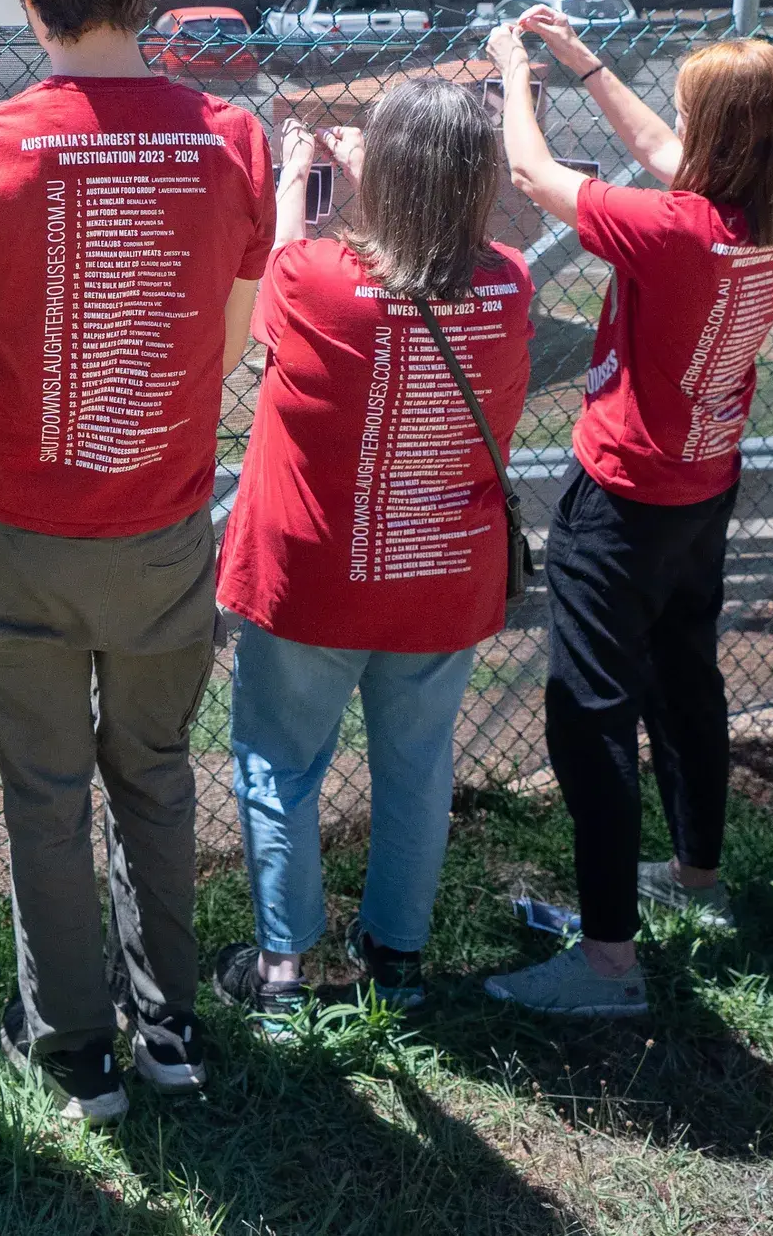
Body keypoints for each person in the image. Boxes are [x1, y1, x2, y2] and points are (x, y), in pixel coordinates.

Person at [0, 0, 272, 1120]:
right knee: (156, 773)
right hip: (162, 525)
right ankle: (168, 1023)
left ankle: (72, 1046)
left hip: (23, 528)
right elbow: (228, 343)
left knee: (45, 792)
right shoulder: (232, 140)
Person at [484, 10, 773, 1019]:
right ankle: (696, 877)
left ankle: (606, 963)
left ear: (718, 133)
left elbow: (534, 174)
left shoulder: (673, 229)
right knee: (684, 682)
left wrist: (511, 70)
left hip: (622, 499)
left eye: (687, 109)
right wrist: (585, 62)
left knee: (589, 718)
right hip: (701, 488)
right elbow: (660, 146)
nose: (673, 121)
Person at [212, 82, 533, 1025]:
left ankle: (282, 973)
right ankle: (397, 957)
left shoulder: (316, 275)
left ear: (380, 175)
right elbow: (433, 257)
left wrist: (298, 174)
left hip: (318, 574)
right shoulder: (511, 279)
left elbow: (281, 273)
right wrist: (388, 173)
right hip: (440, 570)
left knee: (279, 763)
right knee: (417, 764)